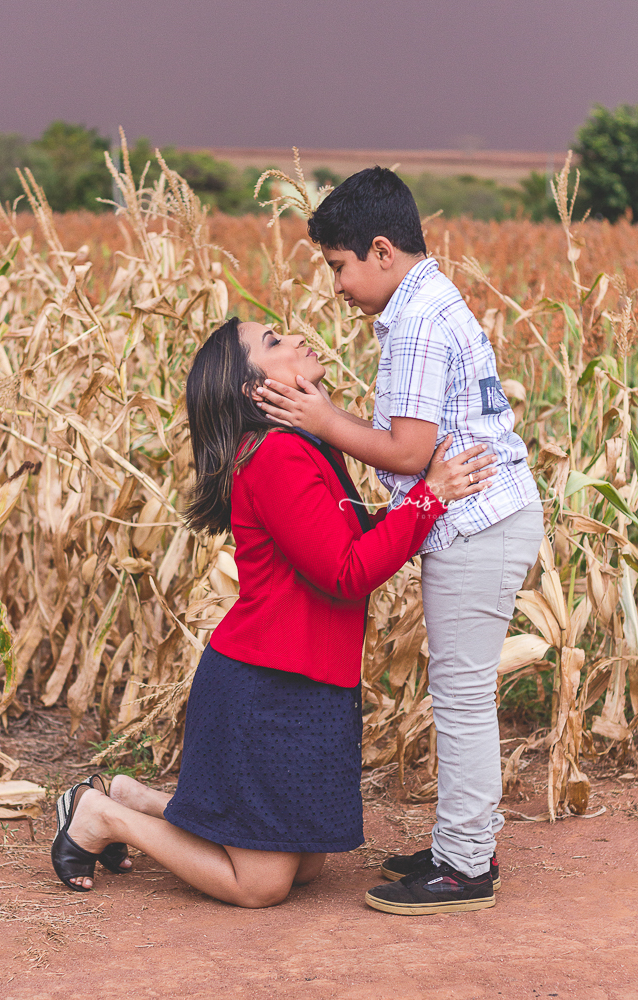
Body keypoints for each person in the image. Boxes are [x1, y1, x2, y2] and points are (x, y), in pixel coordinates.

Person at [50, 316, 496, 909]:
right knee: (261, 885)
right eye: (272, 343)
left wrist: (343, 429)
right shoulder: (274, 456)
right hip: (266, 689)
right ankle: (105, 817)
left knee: (304, 863)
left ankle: (136, 798)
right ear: (253, 389)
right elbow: (346, 572)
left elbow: (354, 546)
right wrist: (430, 496)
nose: (295, 338)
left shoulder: (302, 445)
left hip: (310, 685)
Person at [254, 167, 544, 915]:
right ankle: (459, 844)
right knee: (459, 693)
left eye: (338, 266)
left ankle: (464, 867)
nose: (337, 286)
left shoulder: (414, 322)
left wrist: (321, 420)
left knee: (459, 698)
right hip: (487, 519)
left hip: (476, 525)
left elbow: (411, 452)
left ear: (381, 250)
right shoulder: (427, 301)